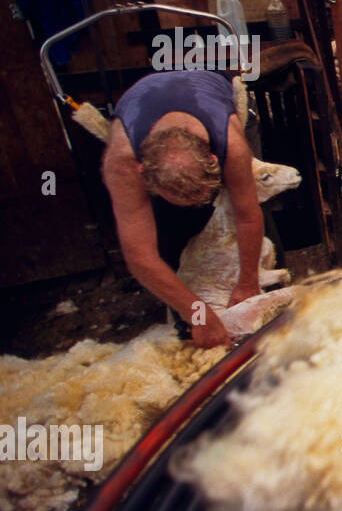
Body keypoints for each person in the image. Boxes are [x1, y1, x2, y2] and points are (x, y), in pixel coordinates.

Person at [100, 69, 263, 349]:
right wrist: (197, 314)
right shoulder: (123, 162)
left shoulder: (231, 145)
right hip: (143, 98)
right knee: (167, 236)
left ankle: (257, 288)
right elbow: (139, 255)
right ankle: (183, 313)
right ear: (143, 173)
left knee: (253, 201)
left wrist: (248, 282)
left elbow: (247, 216)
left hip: (208, 89)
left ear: (214, 159)